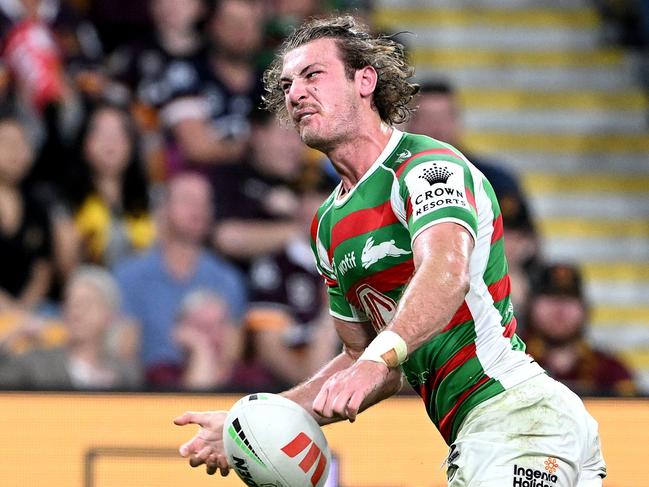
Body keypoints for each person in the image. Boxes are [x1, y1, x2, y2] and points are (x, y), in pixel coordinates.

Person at [174, 16, 606, 485]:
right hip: (488, 433)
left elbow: (446, 271)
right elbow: (362, 361)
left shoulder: (425, 166)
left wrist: (378, 360)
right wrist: (253, 426)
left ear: (365, 80)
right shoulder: (327, 226)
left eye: (313, 75)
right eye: (287, 84)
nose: (295, 93)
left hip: (518, 418)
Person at [113, 172, 247, 388]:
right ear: (163, 210)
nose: (198, 209)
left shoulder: (227, 279)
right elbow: (122, 355)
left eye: (205, 202)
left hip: (214, 392)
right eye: (187, 201)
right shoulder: (130, 276)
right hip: (146, 394)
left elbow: (230, 357)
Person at [0, 265, 141, 390]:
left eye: (86, 304)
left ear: (109, 315)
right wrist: (11, 338)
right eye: (71, 304)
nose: (76, 313)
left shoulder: (125, 374)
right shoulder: (36, 363)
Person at [524, 262, 636, 397]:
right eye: (550, 298)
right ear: (530, 306)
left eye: (569, 299)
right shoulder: (511, 364)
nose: (559, 310)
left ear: (585, 309)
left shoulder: (611, 371)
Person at [64, 103, 155, 267]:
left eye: (120, 133)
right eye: (101, 133)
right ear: (84, 142)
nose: (110, 141)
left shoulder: (154, 200)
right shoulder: (65, 202)